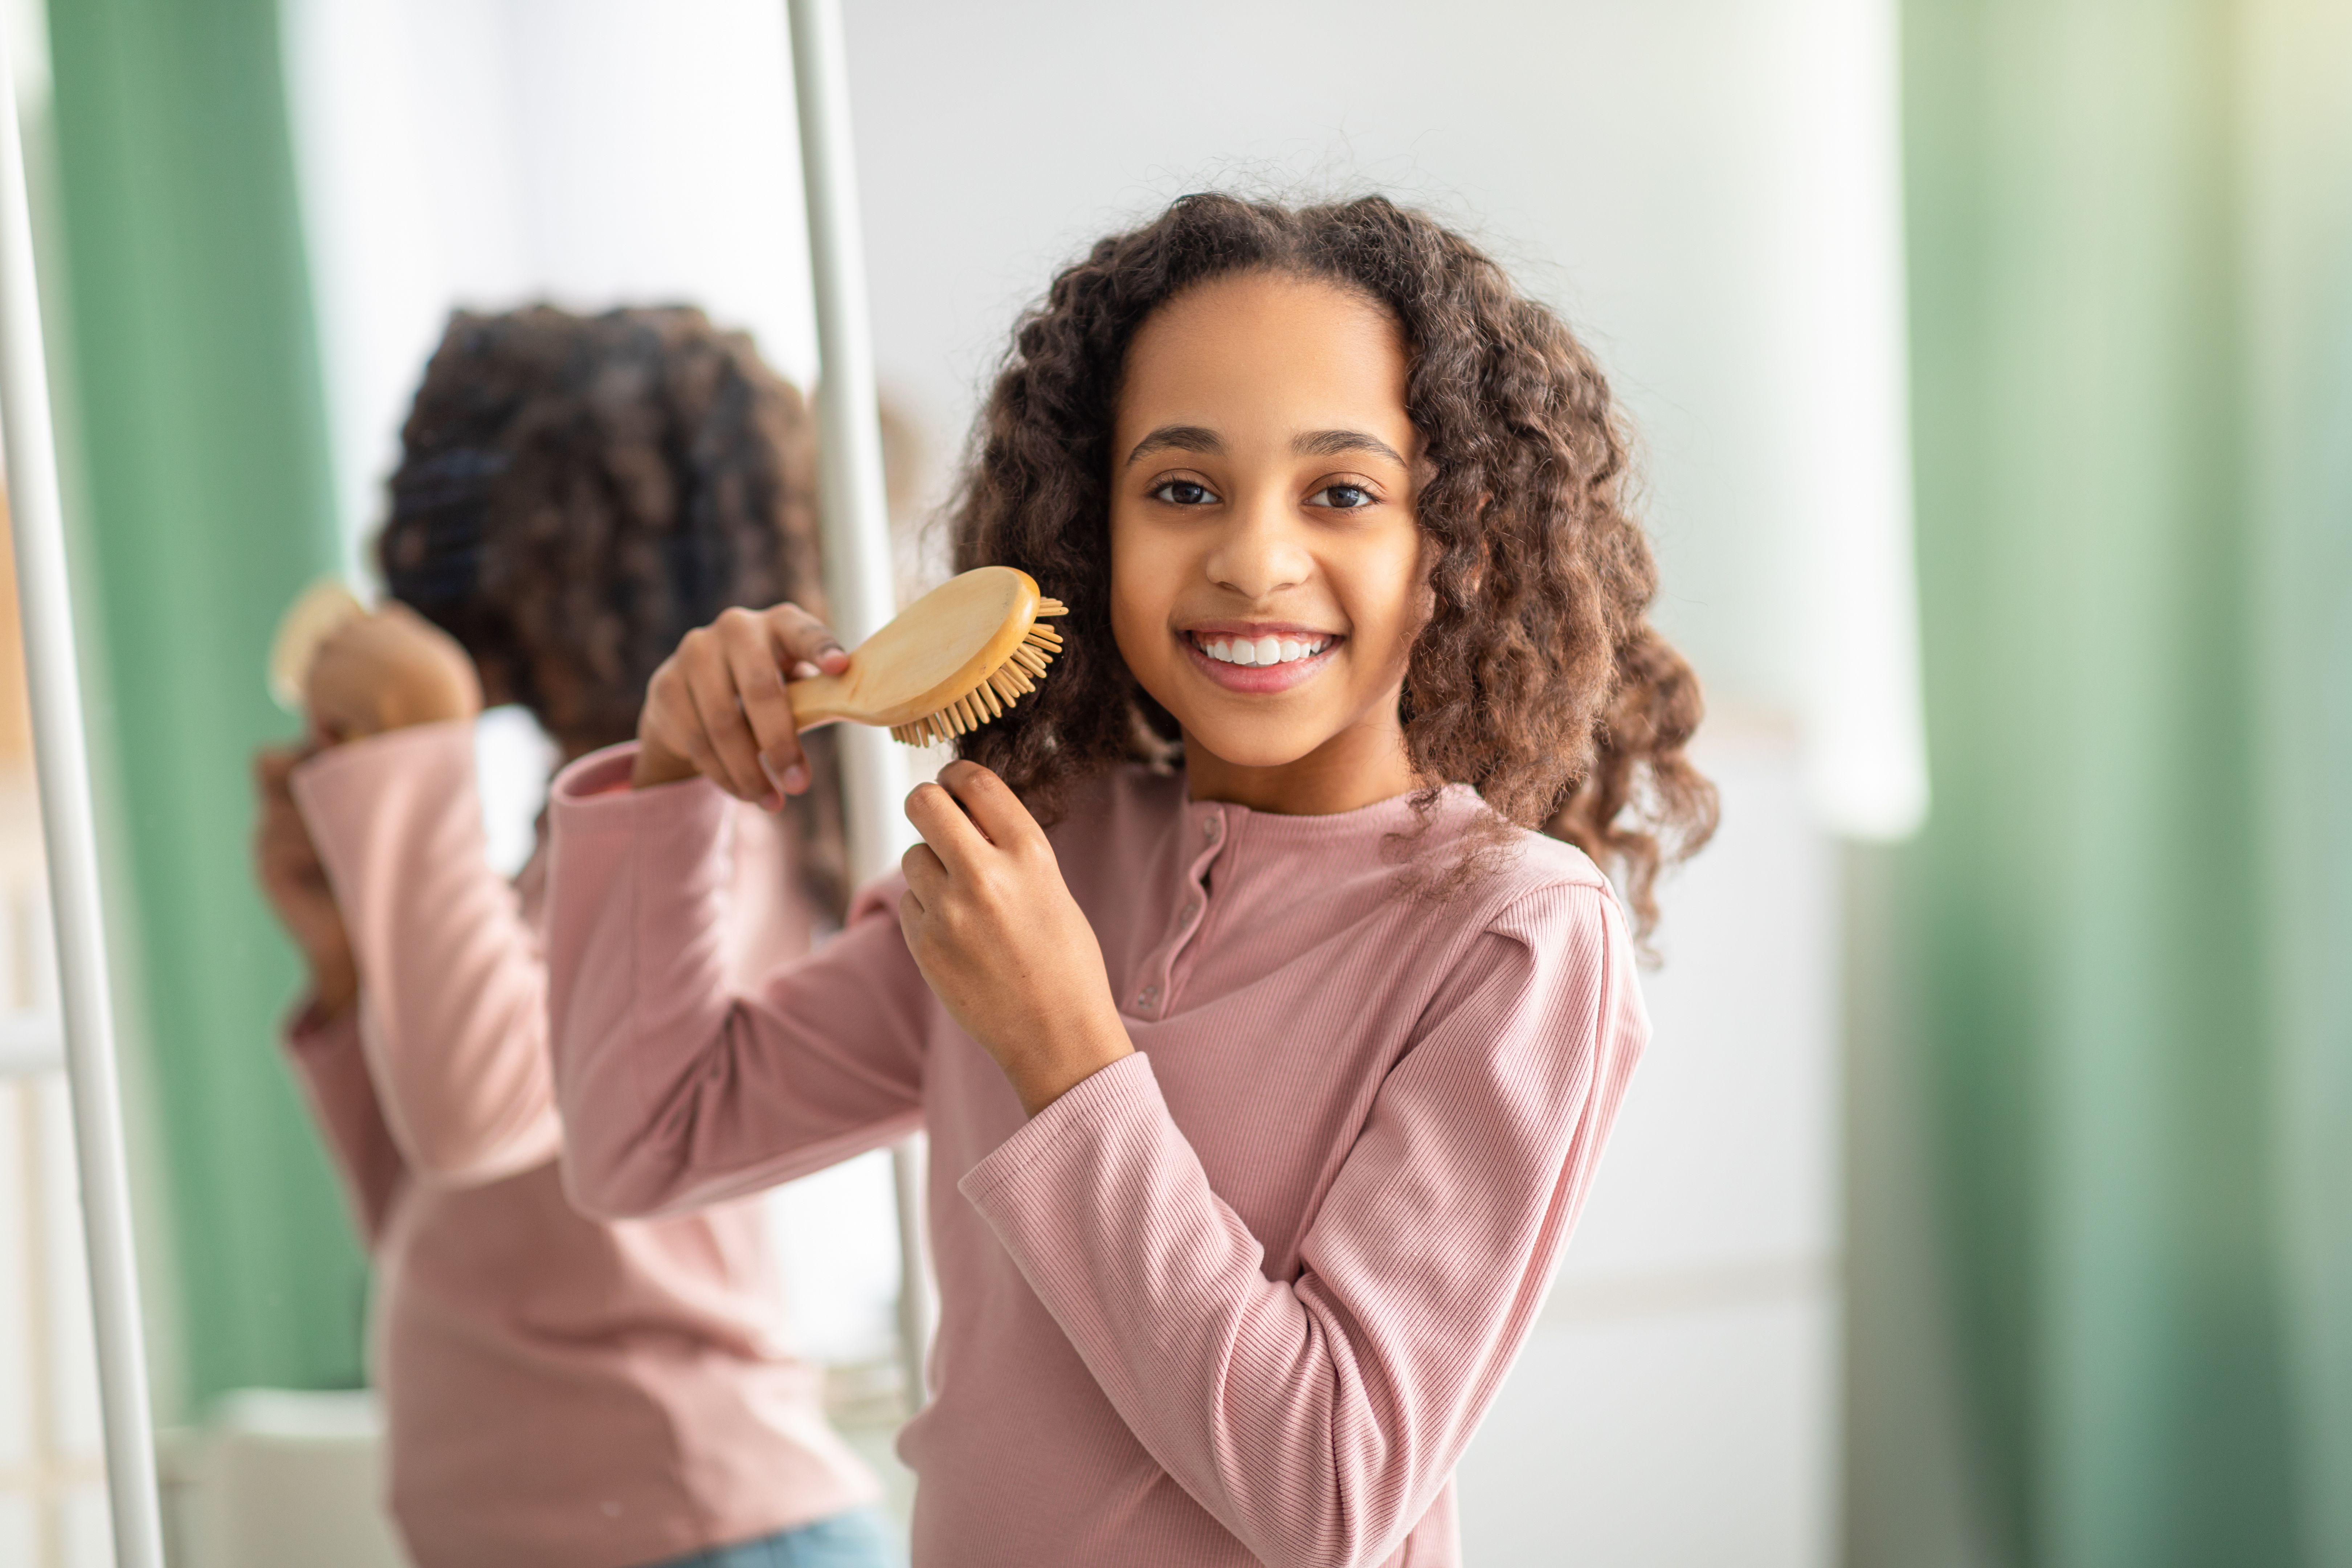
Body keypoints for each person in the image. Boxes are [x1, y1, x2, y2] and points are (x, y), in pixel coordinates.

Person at [542, 196, 1719, 1567]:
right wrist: (674, 781)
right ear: (1088, 532)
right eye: (1182, 489)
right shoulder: (1040, 853)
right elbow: (645, 1140)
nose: (1253, 560)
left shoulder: (1515, 935)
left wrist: (1064, 1053)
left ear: (1461, 543)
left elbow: (1329, 1493)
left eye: (1343, 493)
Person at [251, 306, 896, 1568]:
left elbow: (478, 1113)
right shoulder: (578, 850)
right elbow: (450, 1220)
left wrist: (418, 762)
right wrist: (346, 960)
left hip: (699, 1528)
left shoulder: (713, 822)